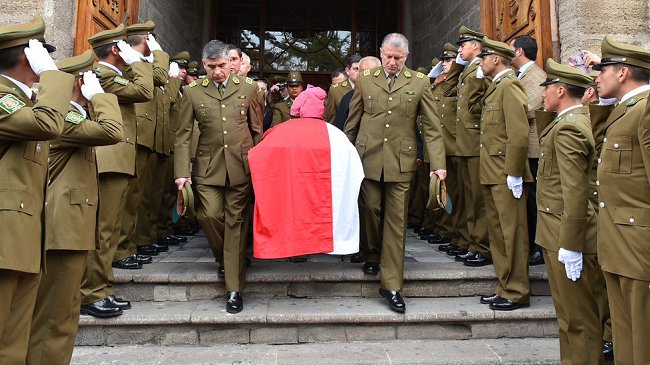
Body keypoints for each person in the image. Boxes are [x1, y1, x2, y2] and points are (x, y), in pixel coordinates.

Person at [27, 50, 123, 365]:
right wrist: (100, 97)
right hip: (62, 229)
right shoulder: (66, 118)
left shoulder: (71, 114)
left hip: (70, 227)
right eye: (88, 78)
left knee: (64, 313)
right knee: (54, 317)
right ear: (80, 81)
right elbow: (112, 131)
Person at [344, 33, 446, 313]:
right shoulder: (366, 79)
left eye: (397, 58)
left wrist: (438, 164)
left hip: (402, 163)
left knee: (397, 222)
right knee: (370, 207)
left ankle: (391, 285)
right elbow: (352, 122)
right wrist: (345, 157)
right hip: (368, 160)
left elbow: (432, 127)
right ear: (380, 52)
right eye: (388, 56)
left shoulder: (419, 82)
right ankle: (373, 252)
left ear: (406, 58)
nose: (391, 62)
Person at [0, 16, 74, 364]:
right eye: (42, 55)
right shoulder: (4, 98)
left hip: (25, 236)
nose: (50, 62)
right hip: (5, 237)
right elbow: (48, 124)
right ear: (28, 58)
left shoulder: (25, 99)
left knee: (14, 343)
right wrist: (54, 78)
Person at [174, 39, 263, 313]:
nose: (217, 72)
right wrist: (181, 174)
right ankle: (227, 257)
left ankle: (234, 289)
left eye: (222, 66)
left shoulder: (248, 89)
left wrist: (260, 166)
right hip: (207, 167)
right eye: (211, 67)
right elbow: (182, 135)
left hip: (241, 166)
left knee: (235, 222)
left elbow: (256, 129)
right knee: (208, 216)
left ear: (231, 62)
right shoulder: (192, 92)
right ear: (204, 65)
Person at [80, 24, 154, 318]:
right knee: (102, 229)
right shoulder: (103, 75)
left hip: (118, 159)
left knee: (109, 229)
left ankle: (102, 286)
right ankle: (90, 292)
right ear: (115, 49)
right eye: (123, 47)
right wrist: (137, 62)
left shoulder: (111, 76)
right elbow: (145, 91)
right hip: (108, 160)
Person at [537, 59, 604, 364]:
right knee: (569, 318)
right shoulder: (566, 122)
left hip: (566, 235)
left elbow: (575, 191)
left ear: (561, 90)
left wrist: (571, 244)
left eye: (546, 88)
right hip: (556, 231)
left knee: (579, 320)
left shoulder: (569, 129)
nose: (543, 94)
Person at [590, 35, 650, 364]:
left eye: (603, 69)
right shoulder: (623, 110)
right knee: (626, 338)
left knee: (642, 341)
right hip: (617, 242)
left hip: (639, 242)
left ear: (623, 72)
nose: (597, 76)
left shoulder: (646, 109)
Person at [475, 37, 532, 311]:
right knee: (498, 234)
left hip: (505, 174)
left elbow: (519, 133)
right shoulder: (494, 87)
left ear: (496, 59)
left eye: (484, 56)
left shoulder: (509, 86)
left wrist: (514, 172)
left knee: (512, 234)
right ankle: (505, 286)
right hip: (492, 172)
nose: (481, 61)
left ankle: (518, 289)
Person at [114, 21, 172, 266]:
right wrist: (159, 53)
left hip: (146, 138)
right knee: (128, 198)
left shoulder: (140, 64)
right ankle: (121, 249)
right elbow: (160, 76)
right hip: (135, 137)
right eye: (151, 40)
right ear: (146, 41)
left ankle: (131, 244)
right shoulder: (132, 63)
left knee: (140, 196)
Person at [441, 26, 491, 266]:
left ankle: (481, 246)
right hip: (463, 143)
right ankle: (472, 242)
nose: (459, 49)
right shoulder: (467, 69)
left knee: (478, 200)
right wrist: (458, 65)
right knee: (468, 199)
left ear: (477, 47)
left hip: (476, 142)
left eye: (464, 45)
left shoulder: (484, 68)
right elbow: (448, 89)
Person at [510, 35, 547, 267]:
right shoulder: (521, 75)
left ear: (519, 51)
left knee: (534, 200)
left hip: (533, 149)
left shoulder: (536, 76)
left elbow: (530, 108)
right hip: (524, 147)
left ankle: (539, 248)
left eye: (509, 48)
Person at [325, 54, 362, 123]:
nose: (359, 73)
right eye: (356, 69)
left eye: (361, 69)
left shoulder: (369, 87)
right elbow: (331, 117)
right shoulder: (335, 90)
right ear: (347, 71)